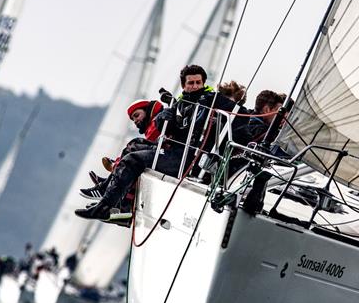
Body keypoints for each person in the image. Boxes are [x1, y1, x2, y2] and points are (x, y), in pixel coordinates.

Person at [75, 64, 238, 220]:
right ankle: (107, 194)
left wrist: (258, 126)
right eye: (191, 83)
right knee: (135, 146)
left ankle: (105, 206)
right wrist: (163, 118)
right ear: (184, 85)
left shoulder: (213, 99)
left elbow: (243, 114)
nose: (195, 86)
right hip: (176, 153)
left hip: (189, 159)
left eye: (198, 82)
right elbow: (168, 126)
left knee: (132, 160)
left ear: (203, 83)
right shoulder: (181, 104)